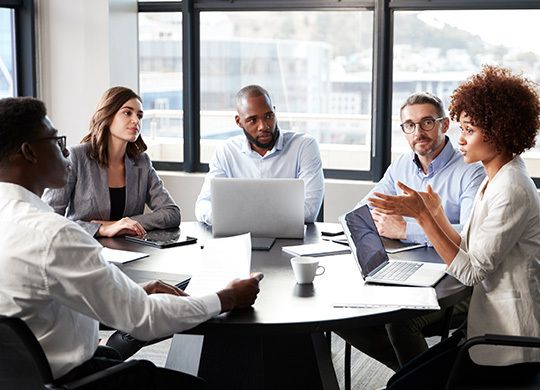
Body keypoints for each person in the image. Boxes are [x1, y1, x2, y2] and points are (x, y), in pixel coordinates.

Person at [0, 96, 263, 387]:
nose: (64, 150)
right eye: (55, 140)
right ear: (28, 152)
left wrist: (130, 291)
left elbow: (43, 297)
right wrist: (227, 297)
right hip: (72, 380)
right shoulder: (55, 234)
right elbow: (145, 318)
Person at [370, 65, 540, 388]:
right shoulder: (496, 176)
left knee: (399, 387)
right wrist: (437, 216)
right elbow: (468, 244)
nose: (459, 140)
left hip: (508, 344)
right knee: (401, 380)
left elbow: (472, 271)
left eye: (468, 130)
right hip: (483, 328)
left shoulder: (512, 188)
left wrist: (423, 219)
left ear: (499, 131)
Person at [336, 92, 485, 371]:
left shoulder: (470, 170)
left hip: (460, 284)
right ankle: (415, 377)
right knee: (342, 315)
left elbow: (468, 234)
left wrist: (406, 229)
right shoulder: (403, 164)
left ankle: (419, 379)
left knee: (401, 320)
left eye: (427, 122)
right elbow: (364, 209)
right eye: (410, 125)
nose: (419, 132)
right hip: (411, 270)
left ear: (444, 124)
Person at [43, 86, 180, 238]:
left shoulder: (142, 162)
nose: (136, 120)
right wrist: (100, 229)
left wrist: (123, 223)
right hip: (84, 249)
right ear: (107, 116)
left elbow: (172, 213)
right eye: (127, 113)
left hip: (131, 252)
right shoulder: (76, 157)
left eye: (139, 116)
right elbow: (49, 219)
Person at [195, 84, 325, 225]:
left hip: (290, 241)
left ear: (274, 112)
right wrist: (225, 218)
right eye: (253, 120)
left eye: (268, 116)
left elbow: (310, 210)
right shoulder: (226, 151)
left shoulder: (304, 146)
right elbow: (203, 205)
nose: (263, 126)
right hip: (240, 238)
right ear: (239, 122)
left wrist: (237, 218)